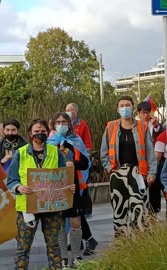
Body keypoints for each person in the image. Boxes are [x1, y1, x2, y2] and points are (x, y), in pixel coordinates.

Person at [6, 118, 72, 270]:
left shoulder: (55, 152)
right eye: (36, 131)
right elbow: (11, 180)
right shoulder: (20, 153)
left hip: (51, 206)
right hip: (27, 206)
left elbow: (62, 177)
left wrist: (69, 188)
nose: (40, 134)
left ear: (47, 133)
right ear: (30, 133)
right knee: (23, 246)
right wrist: (19, 187)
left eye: (43, 131)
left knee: (53, 246)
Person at [100, 96, 157, 237]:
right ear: (118, 109)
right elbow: (103, 152)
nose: (125, 108)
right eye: (122, 105)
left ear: (132, 108)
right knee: (119, 209)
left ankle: (138, 243)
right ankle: (122, 242)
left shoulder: (141, 126)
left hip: (137, 172)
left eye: (127, 105)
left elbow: (150, 151)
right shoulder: (111, 127)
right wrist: (111, 169)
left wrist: (152, 172)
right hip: (118, 172)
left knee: (139, 208)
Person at [48, 112, 90, 268]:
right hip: (56, 188)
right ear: (53, 124)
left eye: (64, 122)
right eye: (58, 122)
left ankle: (76, 256)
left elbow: (85, 163)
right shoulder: (49, 142)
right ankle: (63, 257)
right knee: (59, 223)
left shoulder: (75, 141)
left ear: (69, 124)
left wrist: (73, 163)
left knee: (76, 222)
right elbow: (44, 165)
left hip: (74, 187)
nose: (61, 125)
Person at [65, 103, 98, 255]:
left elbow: (86, 151)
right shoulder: (54, 139)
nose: (69, 113)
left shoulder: (80, 129)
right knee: (71, 212)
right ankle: (77, 241)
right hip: (62, 181)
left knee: (75, 210)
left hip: (77, 179)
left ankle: (88, 239)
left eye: (71, 110)